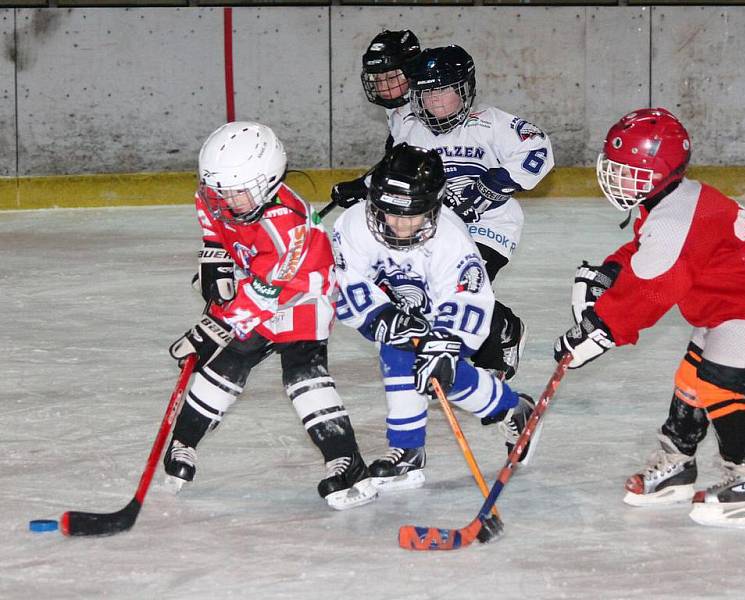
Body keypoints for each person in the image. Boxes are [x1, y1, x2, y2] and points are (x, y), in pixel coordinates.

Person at [553, 107, 745, 528]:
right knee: (691, 379)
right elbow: (646, 248)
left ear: (659, 171)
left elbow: (650, 292)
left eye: (628, 171)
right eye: (615, 168)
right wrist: (611, 271)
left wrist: (600, 328)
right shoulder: (676, 198)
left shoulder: (674, 220)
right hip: (735, 302)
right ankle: (678, 465)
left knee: (715, 386)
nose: (616, 179)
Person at [164, 121, 378, 511]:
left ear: (268, 181)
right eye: (220, 191)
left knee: (302, 375)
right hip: (257, 284)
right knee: (224, 367)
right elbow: (214, 228)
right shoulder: (214, 196)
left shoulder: (287, 224)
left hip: (302, 292)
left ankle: (346, 461)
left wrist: (218, 325)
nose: (227, 200)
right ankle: (184, 443)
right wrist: (215, 259)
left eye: (238, 192)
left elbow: (269, 292)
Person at [336, 44, 555, 382]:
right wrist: (363, 186)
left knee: (461, 284)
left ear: (464, 90)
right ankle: (504, 325)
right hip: (435, 228)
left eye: (442, 92)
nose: (433, 101)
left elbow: (537, 148)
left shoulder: (490, 123)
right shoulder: (411, 129)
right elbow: (399, 171)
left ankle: (493, 357)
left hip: (489, 226)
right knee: (419, 288)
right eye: (425, 94)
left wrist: (490, 185)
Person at [332, 142, 535, 490]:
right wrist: (378, 317)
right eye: (388, 212)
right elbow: (343, 281)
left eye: (411, 215)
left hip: (442, 314)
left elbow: (468, 296)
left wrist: (445, 344)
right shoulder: (352, 225)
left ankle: (510, 407)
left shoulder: (450, 237)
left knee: (444, 374)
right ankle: (409, 451)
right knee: (397, 353)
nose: (397, 225)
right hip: (396, 308)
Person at [331, 29, 421, 209]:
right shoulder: (399, 105)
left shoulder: (422, 108)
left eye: (390, 77)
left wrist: (365, 186)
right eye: (378, 80)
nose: (383, 87)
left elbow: (409, 168)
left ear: (411, 71)